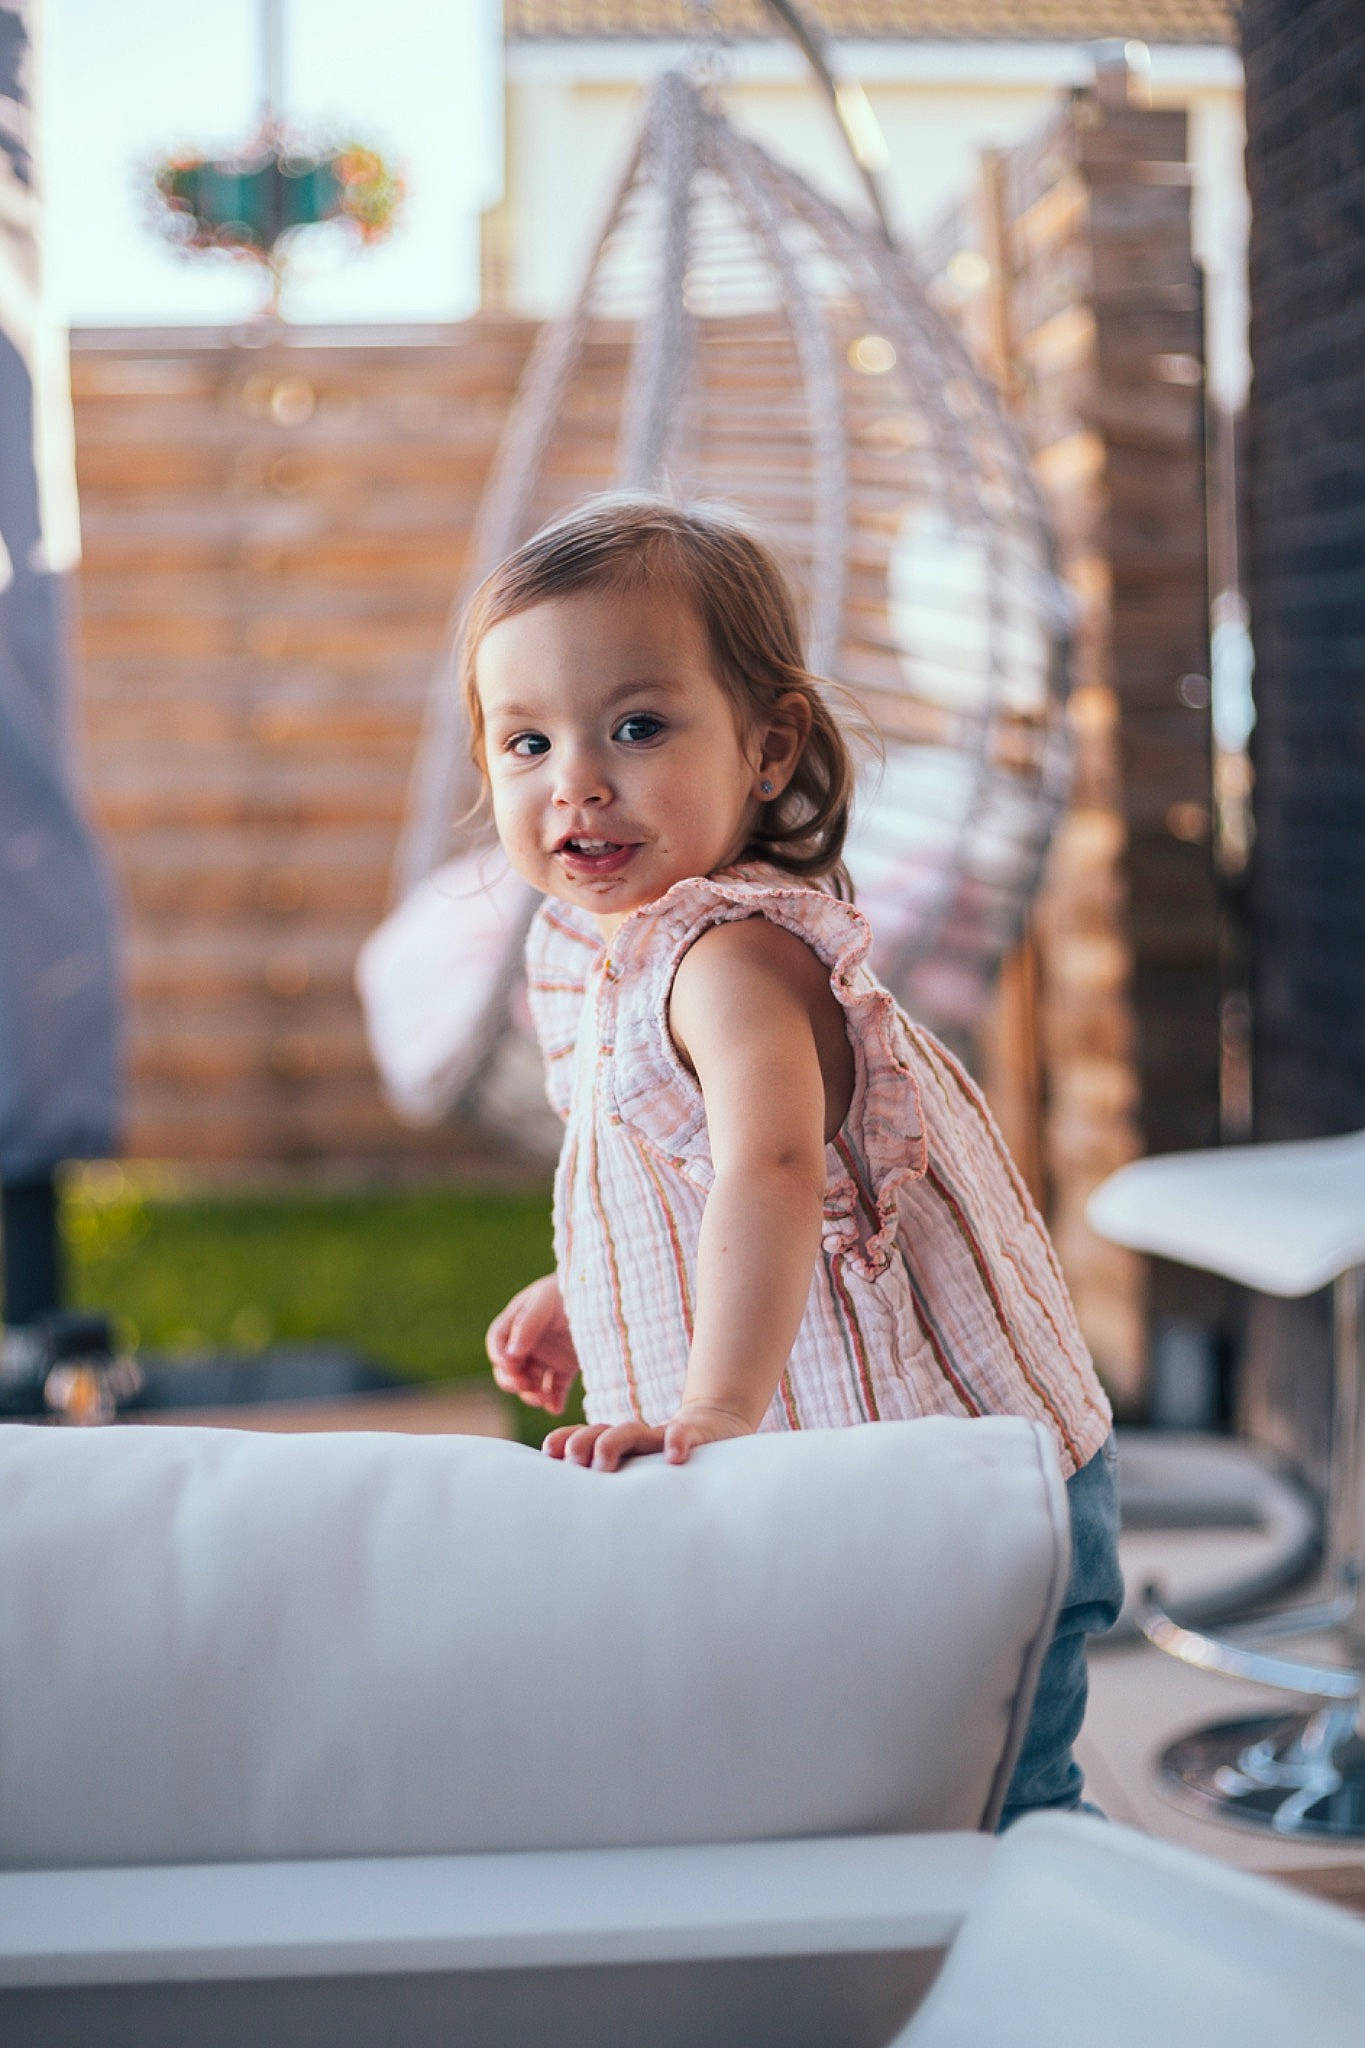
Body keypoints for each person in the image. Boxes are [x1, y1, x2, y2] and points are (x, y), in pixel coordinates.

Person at [468, 495, 1122, 1825]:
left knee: (998, 1814)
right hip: (863, 1504)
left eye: (636, 727)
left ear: (768, 749)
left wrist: (713, 1408)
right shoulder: (615, 949)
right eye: (526, 741)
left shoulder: (732, 956)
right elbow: (683, 1167)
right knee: (876, 1797)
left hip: (950, 1507)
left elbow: (770, 1172)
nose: (575, 780)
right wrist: (573, 1281)